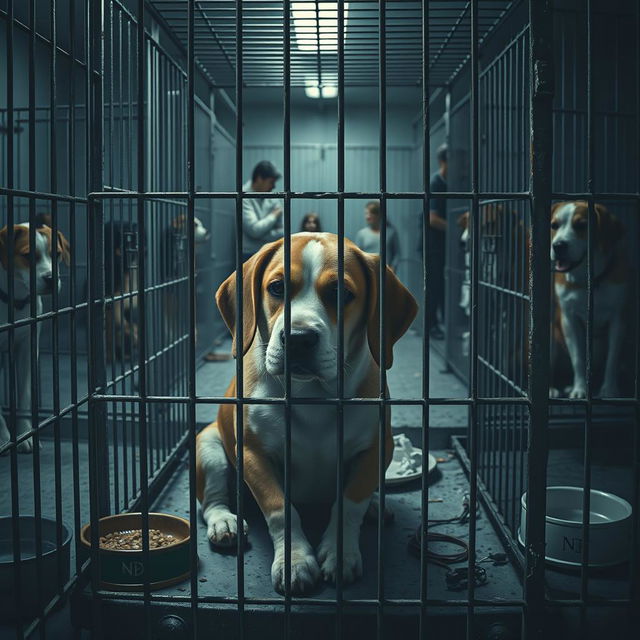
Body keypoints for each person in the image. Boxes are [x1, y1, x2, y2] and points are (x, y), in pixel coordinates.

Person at [418, 143, 448, 340]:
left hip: (441, 245)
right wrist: (460, 231)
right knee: (435, 285)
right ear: (445, 161)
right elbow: (432, 218)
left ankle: (437, 325)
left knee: (441, 285)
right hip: (433, 246)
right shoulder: (436, 182)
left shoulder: (447, 182)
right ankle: (430, 326)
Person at [242, 160, 283, 262]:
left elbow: (282, 231)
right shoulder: (243, 196)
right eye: (271, 182)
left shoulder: (273, 196)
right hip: (250, 255)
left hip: (271, 252)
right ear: (260, 179)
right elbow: (254, 230)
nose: (274, 187)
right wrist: (273, 216)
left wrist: (260, 233)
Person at [354, 200, 400, 272]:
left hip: (387, 273)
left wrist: (392, 269)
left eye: (371, 213)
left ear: (378, 214)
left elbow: (397, 254)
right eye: (366, 213)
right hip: (369, 273)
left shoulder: (390, 232)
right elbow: (357, 256)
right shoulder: (362, 234)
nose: (367, 216)